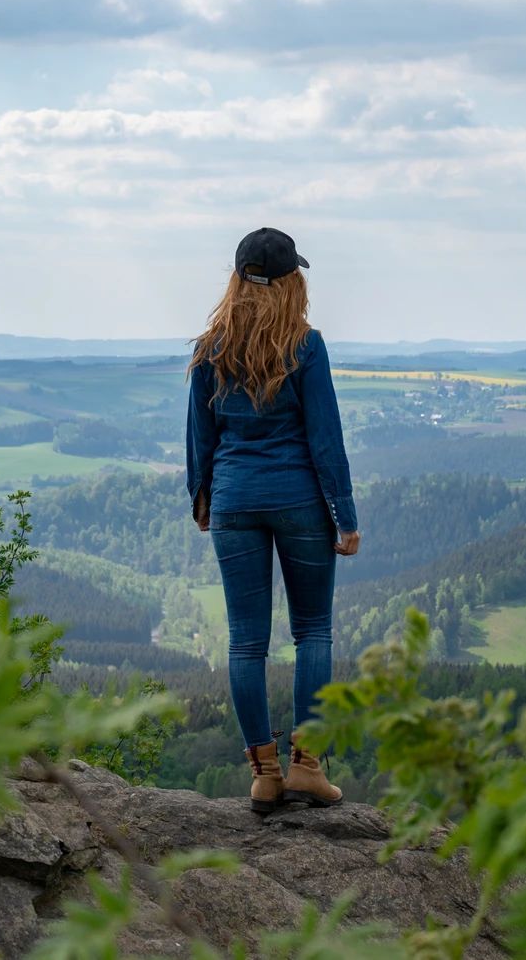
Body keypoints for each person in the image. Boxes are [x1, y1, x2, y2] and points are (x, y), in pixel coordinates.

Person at [186, 227, 361, 814]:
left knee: (246, 643)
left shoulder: (211, 347)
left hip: (235, 499)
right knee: (313, 631)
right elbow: (325, 439)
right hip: (300, 501)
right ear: (292, 283)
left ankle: (263, 776)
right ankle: (306, 768)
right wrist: (345, 516)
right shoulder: (306, 346)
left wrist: (203, 497)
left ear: (237, 280)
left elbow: (199, 437)